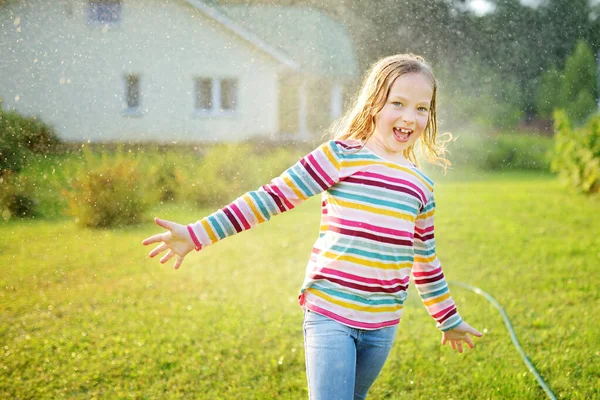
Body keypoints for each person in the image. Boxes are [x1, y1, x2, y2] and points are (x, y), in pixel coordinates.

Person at [142, 53, 483, 400]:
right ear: (374, 103)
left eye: (421, 109)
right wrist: (198, 233)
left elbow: (425, 260)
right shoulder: (340, 156)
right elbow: (271, 198)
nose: (409, 118)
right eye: (398, 103)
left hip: (383, 323)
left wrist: (448, 319)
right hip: (330, 312)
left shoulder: (420, 185)